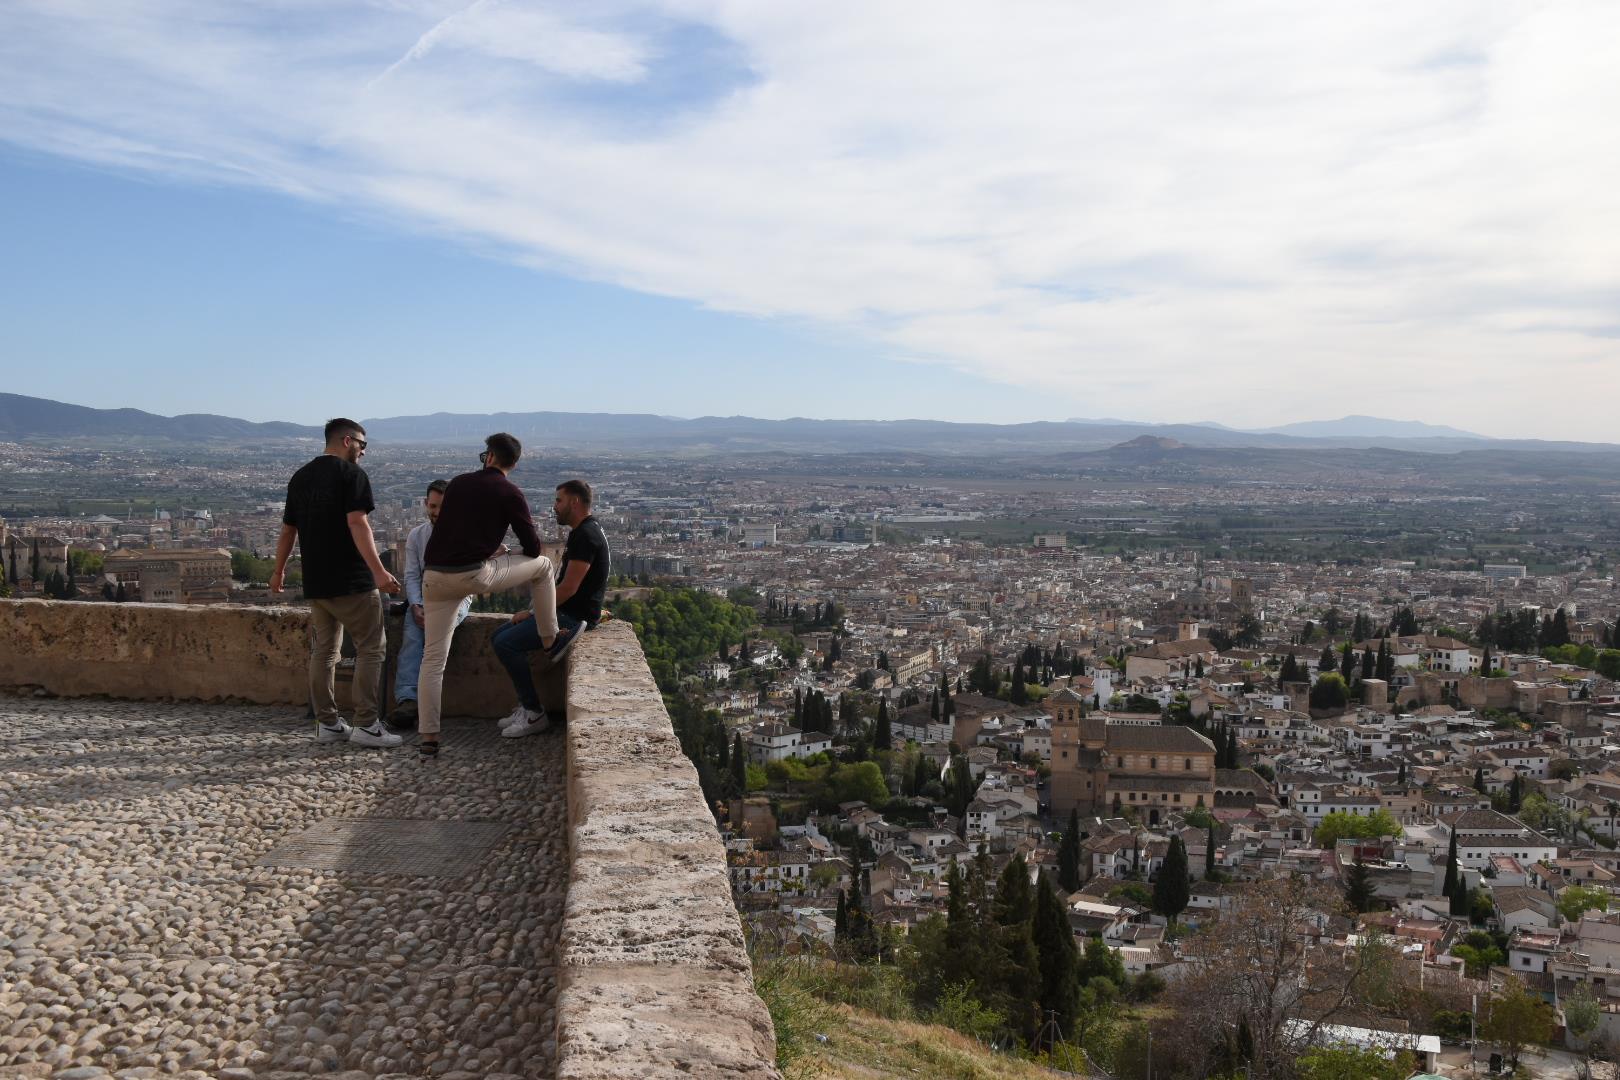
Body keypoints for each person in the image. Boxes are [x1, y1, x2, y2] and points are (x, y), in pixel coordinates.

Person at [417, 433, 569, 757]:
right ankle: (549, 638)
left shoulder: (457, 484)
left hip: (434, 576)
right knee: (543, 567)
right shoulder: (510, 492)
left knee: (432, 661)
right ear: (512, 463)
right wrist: (500, 552)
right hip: (474, 573)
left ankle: (428, 737)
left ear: (488, 456)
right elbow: (532, 547)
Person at [271, 417, 403, 748]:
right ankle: (367, 724)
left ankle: (327, 723)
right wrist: (378, 572)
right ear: (346, 441)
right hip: (352, 580)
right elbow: (358, 523)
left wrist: (278, 571)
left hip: (317, 581)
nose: (363, 451)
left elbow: (289, 530)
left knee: (324, 652)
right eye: (362, 444)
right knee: (371, 648)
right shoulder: (351, 475)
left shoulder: (301, 477)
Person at [492, 478, 610, 738]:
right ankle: (526, 706)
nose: (554, 506)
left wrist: (534, 612)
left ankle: (534, 713)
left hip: (572, 619)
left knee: (505, 644)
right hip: (566, 612)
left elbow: (569, 587)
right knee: (497, 636)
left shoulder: (585, 536)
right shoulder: (585, 530)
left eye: (559, 500)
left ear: (574, 502)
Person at [392, 479, 471, 725]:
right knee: (413, 634)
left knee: (433, 640)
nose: (436, 512)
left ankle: (424, 706)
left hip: (455, 598)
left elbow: (467, 579)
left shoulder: (465, 535)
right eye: (433, 506)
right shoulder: (417, 536)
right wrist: (416, 605)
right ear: (426, 504)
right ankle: (408, 700)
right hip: (424, 600)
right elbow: (412, 575)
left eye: (442, 507)